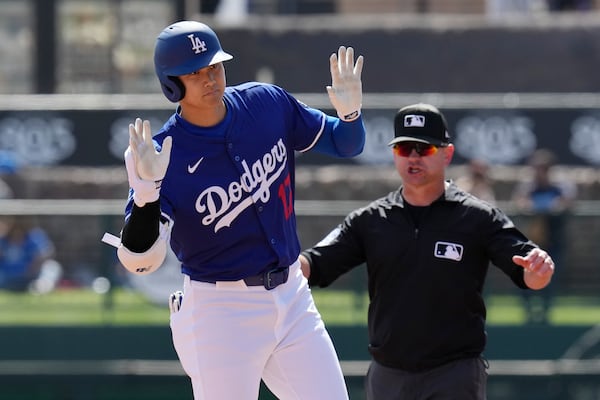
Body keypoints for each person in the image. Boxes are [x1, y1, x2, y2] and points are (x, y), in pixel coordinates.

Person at [111, 20, 365, 399]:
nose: (210, 78)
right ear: (171, 83)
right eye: (195, 73)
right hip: (221, 310)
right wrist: (147, 194)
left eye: (214, 66)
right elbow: (140, 260)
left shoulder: (266, 103)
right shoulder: (164, 154)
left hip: (292, 296)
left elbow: (346, 145)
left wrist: (350, 115)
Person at [299, 103, 555, 400]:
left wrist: (539, 269)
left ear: (447, 153)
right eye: (405, 149)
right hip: (388, 376)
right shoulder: (370, 221)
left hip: (454, 375)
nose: (414, 157)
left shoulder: (478, 217)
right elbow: (313, 264)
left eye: (426, 149)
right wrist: (274, 261)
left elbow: (529, 273)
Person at [511, 148, 575, 323]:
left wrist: (554, 208)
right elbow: (521, 202)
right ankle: (529, 315)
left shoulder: (561, 187)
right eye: (537, 167)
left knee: (550, 280)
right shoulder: (527, 187)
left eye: (544, 168)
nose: (540, 171)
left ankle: (545, 316)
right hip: (530, 243)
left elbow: (566, 203)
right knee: (523, 277)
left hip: (554, 241)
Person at [0, 216, 62, 293]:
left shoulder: (34, 236)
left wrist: (36, 263)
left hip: (30, 276)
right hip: (6, 277)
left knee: (52, 266)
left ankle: (40, 288)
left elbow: (48, 253)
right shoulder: (2, 240)